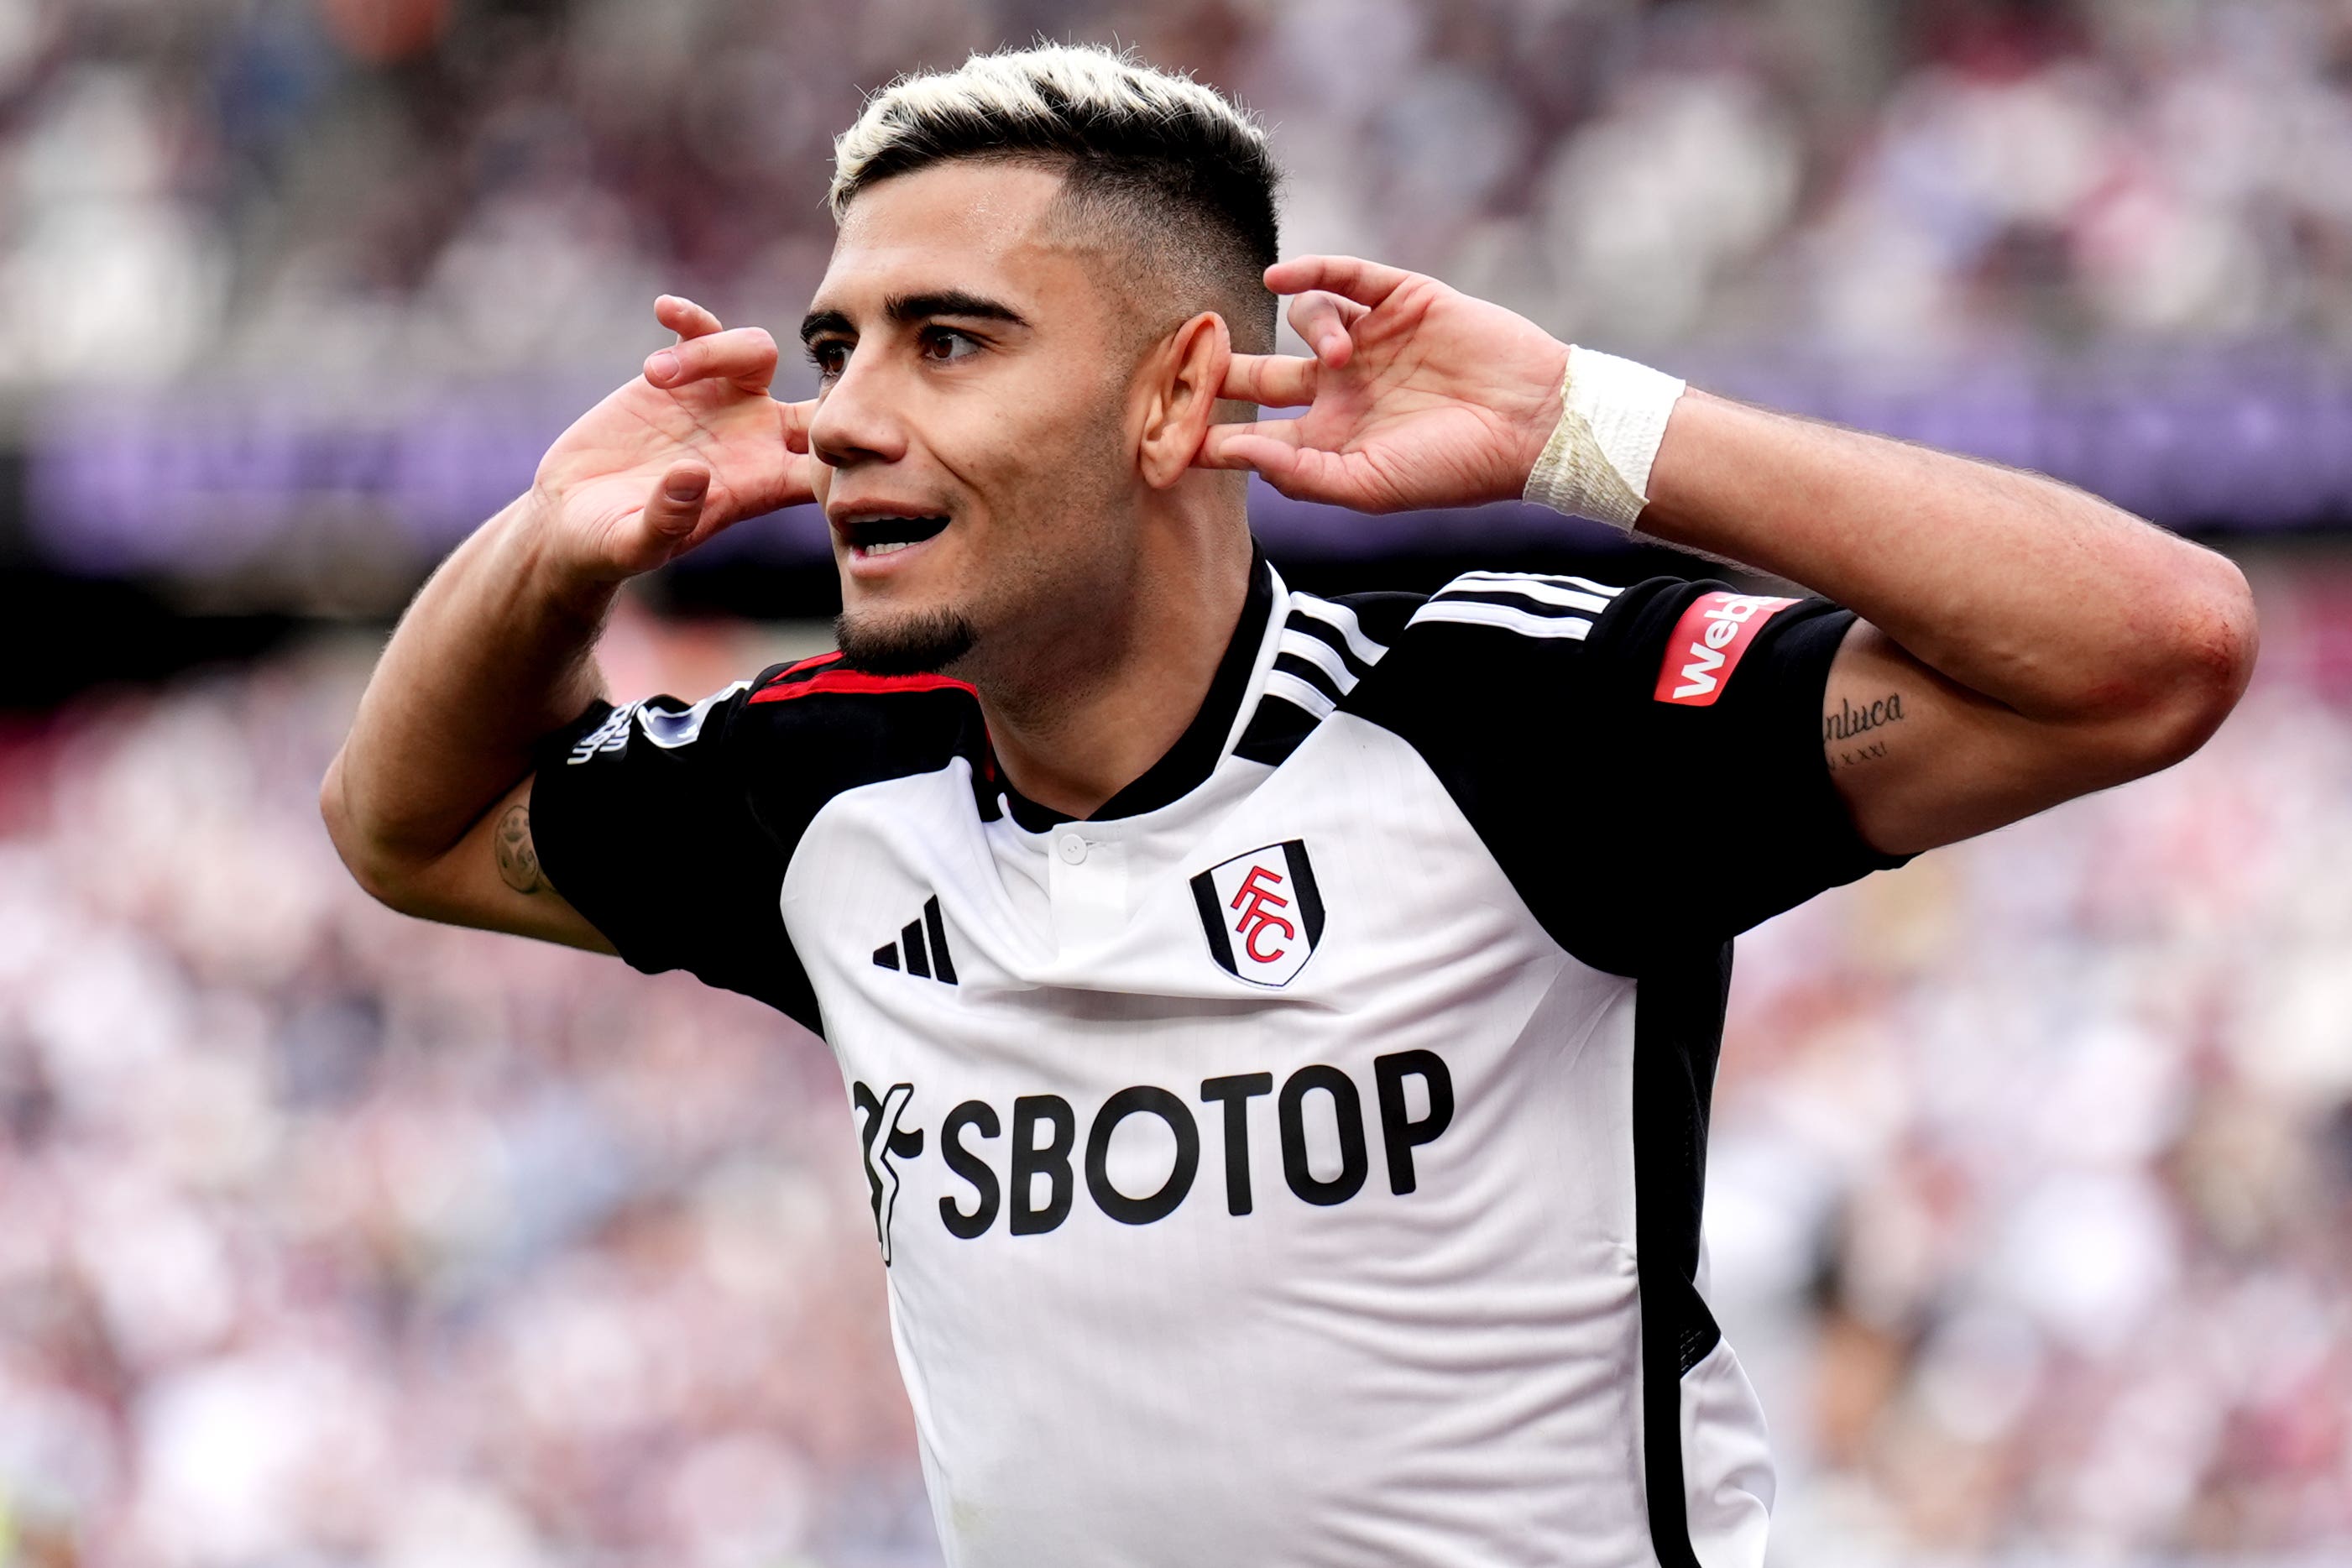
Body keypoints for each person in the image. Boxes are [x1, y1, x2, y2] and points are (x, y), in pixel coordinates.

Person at [321, 42, 2256, 1568]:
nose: (840, 413)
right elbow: (402, 826)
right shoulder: (829, 780)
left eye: (949, 339)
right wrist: (551, 550)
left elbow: (2156, 647)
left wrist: (1587, 429)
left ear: (1175, 400)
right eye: (836, 346)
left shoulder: (1512, 714)